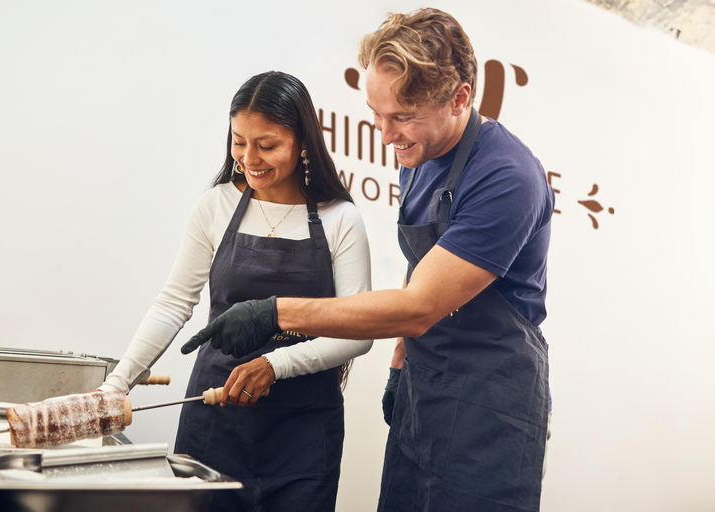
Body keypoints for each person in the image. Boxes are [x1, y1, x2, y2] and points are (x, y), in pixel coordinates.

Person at [182, 8, 555, 512]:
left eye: (401, 116)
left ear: (460, 98)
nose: (384, 134)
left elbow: (420, 304)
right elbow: (422, 266)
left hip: (490, 409)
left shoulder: (507, 177)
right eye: (376, 115)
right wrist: (400, 365)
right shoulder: (420, 160)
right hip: (425, 395)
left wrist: (273, 313)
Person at [99, 71, 373, 512]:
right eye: (239, 141)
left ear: (303, 141)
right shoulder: (217, 205)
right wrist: (116, 384)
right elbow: (174, 303)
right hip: (216, 423)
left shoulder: (340, 219)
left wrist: (274, 364)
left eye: (267, 145)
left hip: (303, 435)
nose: (249, 158)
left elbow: (357, 331)